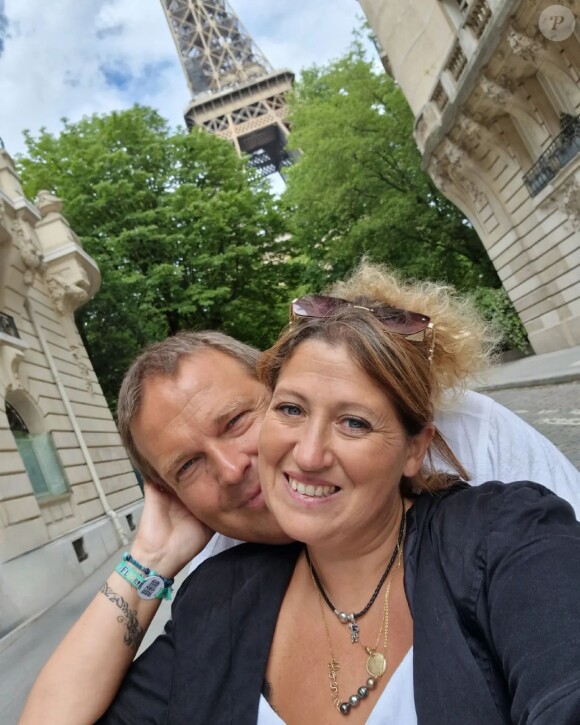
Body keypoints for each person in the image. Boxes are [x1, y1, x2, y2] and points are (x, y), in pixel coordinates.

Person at [18, 264, 580, 724]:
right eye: (189, 466)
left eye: (239, 420)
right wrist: (151, 560)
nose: (235, 466)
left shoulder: (490, 497)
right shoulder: (216, 594)